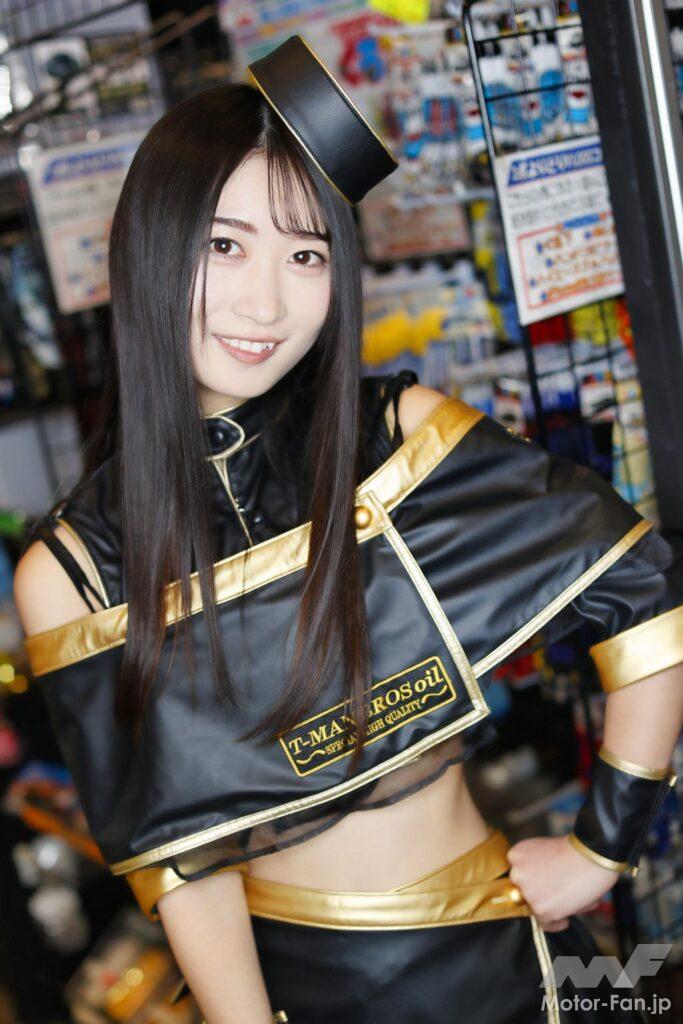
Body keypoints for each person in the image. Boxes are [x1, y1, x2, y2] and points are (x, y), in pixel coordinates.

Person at [13, 34, 683, 1024]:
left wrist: (601, 846)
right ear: (151, 245)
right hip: (305, 990)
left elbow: (643, 591)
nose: (265, 300)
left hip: (511, 956)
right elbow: (180, 859)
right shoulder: (75, 567)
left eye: (306, 254)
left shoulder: (399, 438)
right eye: (225, 245)